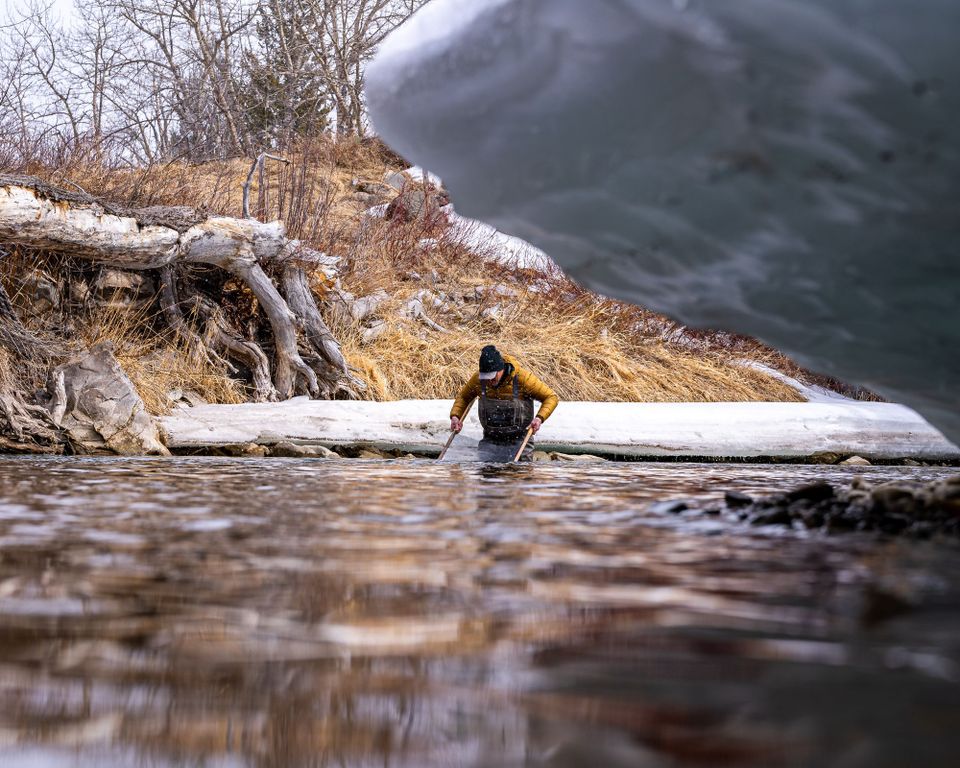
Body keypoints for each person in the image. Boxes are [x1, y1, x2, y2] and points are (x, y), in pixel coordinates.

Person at [450, 345, 559, 460]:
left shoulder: (523, 378)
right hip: (490, 439)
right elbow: (463, 397)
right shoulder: (478, 380)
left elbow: (551, 397)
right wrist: (456, 416)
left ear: (500, 368)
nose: (489, 381)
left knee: (520, 474)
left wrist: (539, 418)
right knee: (485, 471)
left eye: (492, 377)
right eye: (486, 377)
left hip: (520, 440)